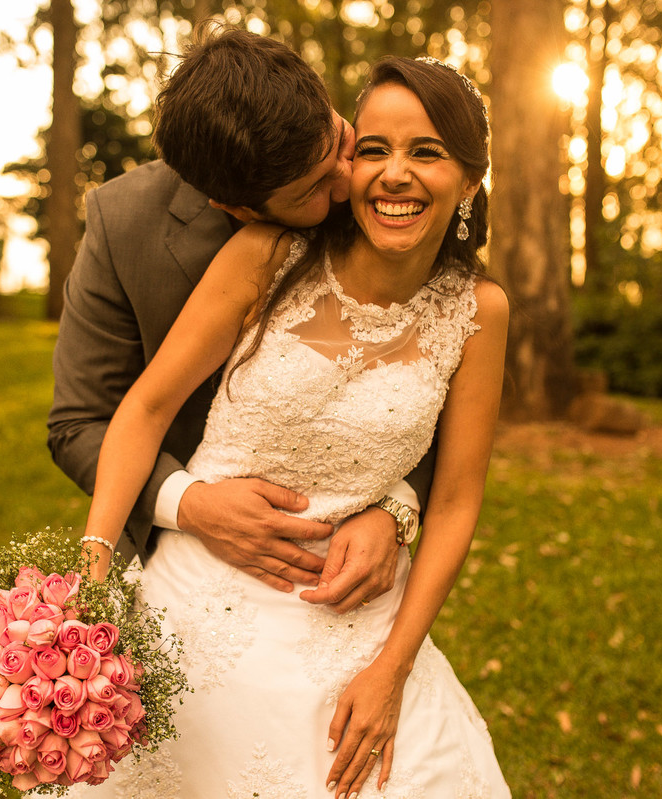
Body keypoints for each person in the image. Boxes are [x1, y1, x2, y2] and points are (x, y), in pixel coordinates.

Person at [71, 56, 512, 798]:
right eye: (372, 149)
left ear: (470, 180)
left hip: (358, 620)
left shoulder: (478, 311)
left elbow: (459, 497)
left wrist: (392, 663)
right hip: (200, 605)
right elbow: (136, 408)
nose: (385, 174)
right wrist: (90, 581)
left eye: (426, 152)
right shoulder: (265, 251)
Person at [47, 26, 432, 614]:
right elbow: (81, 423)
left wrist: (396, 508)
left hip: (345, 578)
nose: (349, 181)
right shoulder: (122, 223)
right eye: (313, 188)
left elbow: (433, 372)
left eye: (340, 141)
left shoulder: (383, 197)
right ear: (236, 208)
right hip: (181, 567)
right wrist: (190, 503)